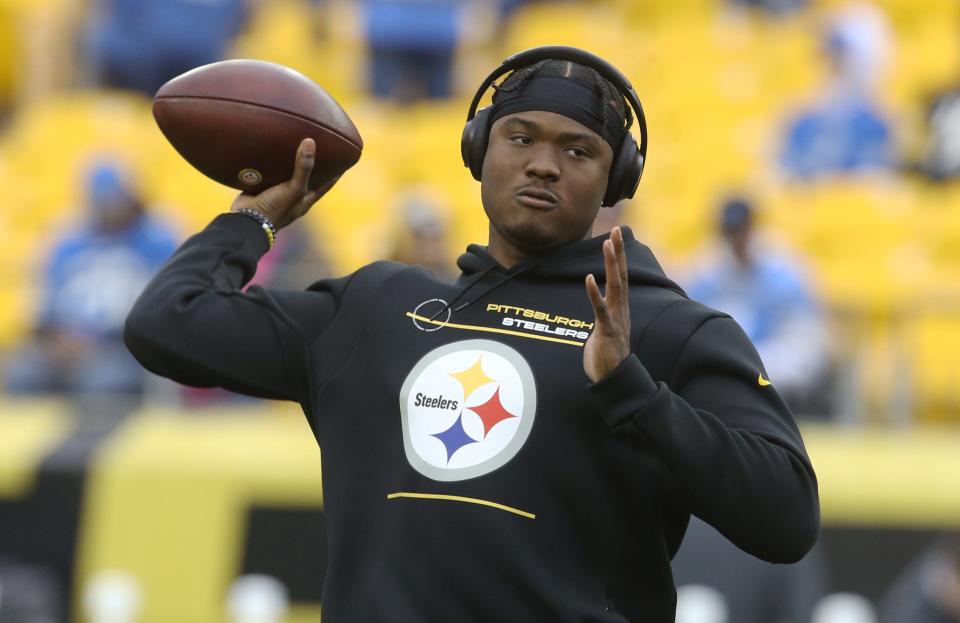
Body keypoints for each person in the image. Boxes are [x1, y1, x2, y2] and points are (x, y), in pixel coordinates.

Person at [124, 47, 820, 622]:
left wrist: (633, 392)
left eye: (578, 150)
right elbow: (166, 323)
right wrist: (254, 219)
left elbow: (786, 515)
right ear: (479, 151)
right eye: (521, 138)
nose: (544, 164)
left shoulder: (666, 328)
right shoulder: (376, 307)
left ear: (617, 181)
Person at [4, 160, 177, 401]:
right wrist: (56, 338)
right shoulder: (68, 240)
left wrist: (97, 340)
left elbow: (161, 308)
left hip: (121, 347)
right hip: (63, 343)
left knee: (104, 381)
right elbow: (44, 300)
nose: (110, 209)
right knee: (22, 375)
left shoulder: (156, 240)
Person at [685, 195, 831, 415]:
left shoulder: (784, 271)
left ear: (752, 228)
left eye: (741, 230)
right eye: (731, 232)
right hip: (725, 369)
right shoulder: (706, 273)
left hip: (771, 365)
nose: (737, 238)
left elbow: (803, 339)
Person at [777, 2, 895, 180]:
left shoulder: (878, 122)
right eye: (829, 55)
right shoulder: (800, 117)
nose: (832, 65)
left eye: (839, 56)